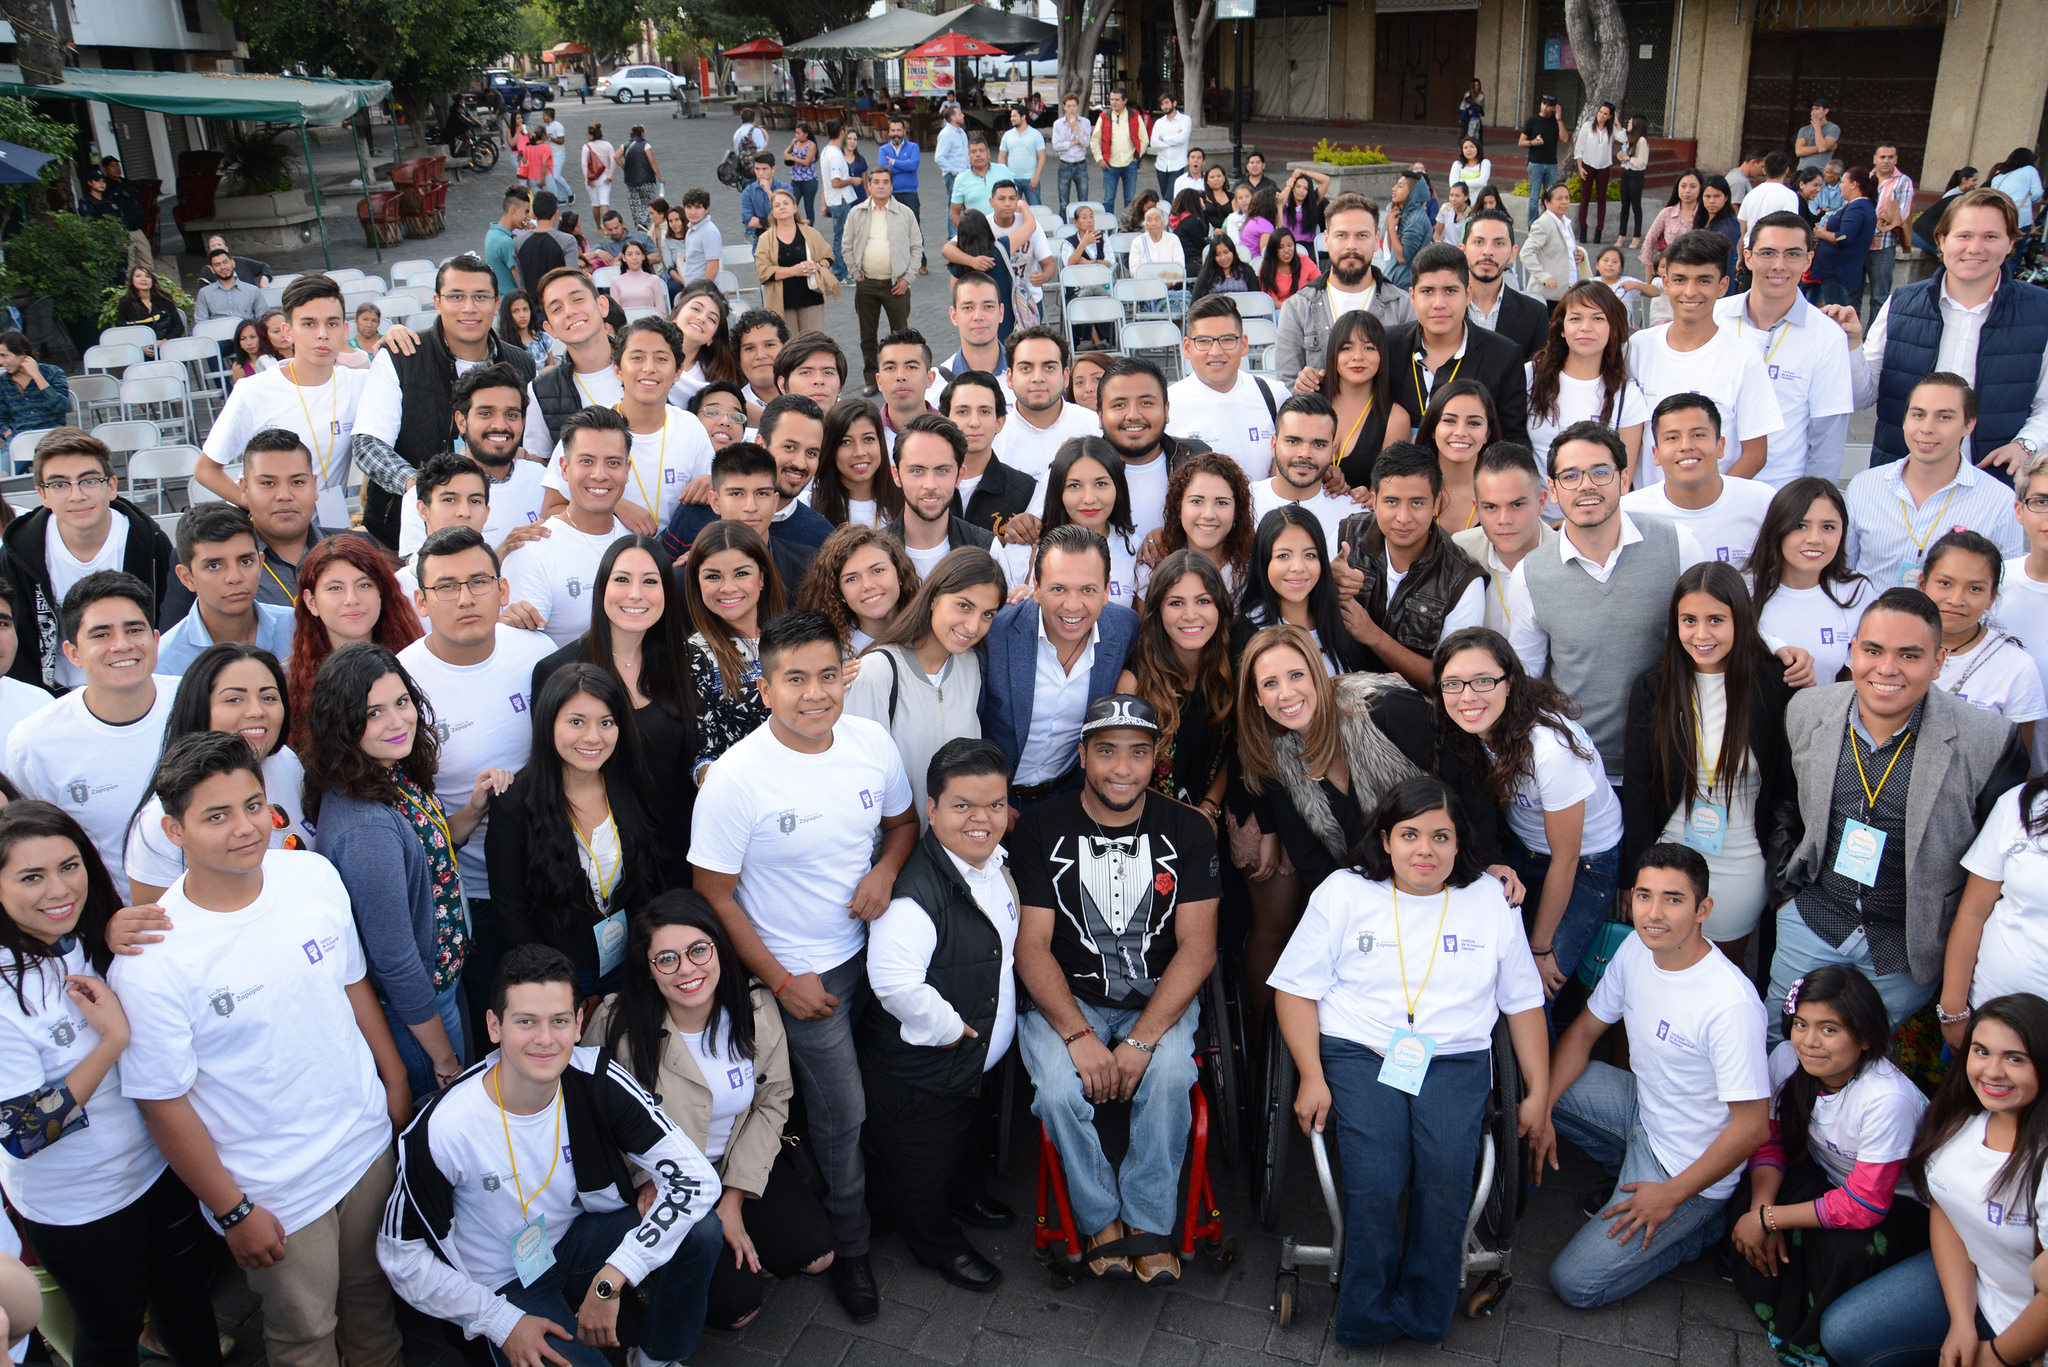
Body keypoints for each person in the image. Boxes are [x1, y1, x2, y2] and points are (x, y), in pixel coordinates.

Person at [110, 730, 410, 1367]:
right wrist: (232, 1208)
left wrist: (394, 1085)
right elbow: (163, 1104)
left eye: (252, 805)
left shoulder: (311, 874)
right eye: (215, 816)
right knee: (303, 1338)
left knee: (374, 1309)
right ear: (173, 831)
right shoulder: (152, 962)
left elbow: (354, 985)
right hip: (276, 1191)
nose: (244, 828)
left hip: (363, 1147)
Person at [690, 610, 917, 1323]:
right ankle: (850, 1247)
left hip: (874, 960)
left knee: (883, 1096)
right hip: (799, 978)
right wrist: (783, 982)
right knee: (840, 1112)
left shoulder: (870, 742)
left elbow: (902, 823)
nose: (815, 693)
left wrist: (885, 870)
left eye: (828, 675)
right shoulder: (736, 778)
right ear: (764, 687)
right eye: (795, 679)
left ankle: (888, 1209)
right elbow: (714, 896)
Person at [1270, 775, 1548, 1345]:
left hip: (1453, 1056)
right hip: (1358, 1048)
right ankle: (1366, 1312)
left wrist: (1538, 1094)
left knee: (1446, 1174)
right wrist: (1311, 1075)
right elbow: (1295, 990)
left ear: (1458, 843)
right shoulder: (1345, 892)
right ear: (1387, 839)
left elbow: (1522, 1003)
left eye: (1441, 837)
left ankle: (1424, 1311)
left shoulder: (1489, 902)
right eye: (1411, 835)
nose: (1426, 850)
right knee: (1377, 1175)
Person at [379, 941, 723, 1367]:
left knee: (701, 1229)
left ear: (579, 1023)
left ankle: (655, 1358)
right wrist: (498, 1320)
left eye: (559, 1020)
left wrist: (614, 1276)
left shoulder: (595, 1078)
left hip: (574, 1244)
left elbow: (697, 1179)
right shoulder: (444, 1126)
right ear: (493, 1026)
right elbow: (399, 1253)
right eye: (525, 1021)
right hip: (501, 1286)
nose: (545, 1039)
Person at [1012, 693, 1218, 1285]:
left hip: (1156, 999)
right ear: (1082, 756)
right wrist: (1077, 1034)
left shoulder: (1187, 829)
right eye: (1106, 752)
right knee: (1055, 1090)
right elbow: (1033, 946)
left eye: (1137, 753)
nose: (1121, 768)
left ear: (1156, 759)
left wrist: (1142, 1040)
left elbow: (1199, 948)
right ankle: (1100, 1215)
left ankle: (1149, 1218)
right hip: (1067, 999)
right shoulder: (1043, 828)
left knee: (1175, 1074)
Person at [1768, 587, 2027, 1034]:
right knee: (1781, 1040)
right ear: (1853, 651)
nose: (1887, 669)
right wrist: (1786, 899)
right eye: (1873, 650)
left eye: (1909, 655)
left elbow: (1997, 864)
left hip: (1908, 944)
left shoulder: (1988, 741)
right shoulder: (1807, 710)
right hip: (1813, 920)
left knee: (1875, 1063)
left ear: (1939, 661)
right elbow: (1785, 805)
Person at [1533, 842, 1772, 1308]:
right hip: (1641, 1108)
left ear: (1704, 909)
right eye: (1644, 896)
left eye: (1673, 899)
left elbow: (1752, 1128)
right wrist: (1540, 1112)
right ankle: (1622, 1170)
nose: (1653, 913)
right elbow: (1582, 1035)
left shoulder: (1731, 1003)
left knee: (1575, 1284)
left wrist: (1668, 1195)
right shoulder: (1635, 950)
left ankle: (1696, 1230)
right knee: (1537, 1089)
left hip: (1683, 1168)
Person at [589, 888, 831, 1331]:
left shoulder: (754, 1007)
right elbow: (596, 1120)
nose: (687, 969)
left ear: (718, 946)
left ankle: (743, 1237)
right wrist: (645, 1178)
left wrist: (734, 1196)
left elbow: (772, 1100)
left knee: (818, 1256)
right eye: (667, 959)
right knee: (737, 1311)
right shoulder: (617, 1025)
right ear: (647, 969)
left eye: (698, 949)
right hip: (671, 1181)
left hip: (735, 1157)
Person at [859, 737, 1022, 1291]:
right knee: (921, 1168)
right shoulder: (913, 896)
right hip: (924, 1071)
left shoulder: (992, 863)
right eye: (963, 806)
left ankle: (967, 1197)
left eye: (995, 805)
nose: (982, 819)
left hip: (969, 1065)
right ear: (931, 808)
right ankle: (937, 1245)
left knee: (964, 1140)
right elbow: (894, 983)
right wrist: (952, 1031)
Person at [1817, 994, 2048, 1367]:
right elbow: (1946, 1203)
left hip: (2033, 1329)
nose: (1992, 1071)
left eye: (2015, 1059)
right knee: (1843, 1334)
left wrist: (1997, 1356)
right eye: (1982, 1051)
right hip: (1980, 1287)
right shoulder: (1962, 1115)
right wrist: (1961, 1322)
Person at [302, 640, 488, 1101]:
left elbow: (429, 857)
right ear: (342, 723)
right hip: (420, 1008)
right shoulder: (365, 829)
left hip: (447, 977)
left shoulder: (386, 771)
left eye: (401, 702)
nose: (398, 720)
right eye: (374, 712)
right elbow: (396, 961)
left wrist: (473, 809)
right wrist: (443, 1059)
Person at [1730, 965, 1931, 1365]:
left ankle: (1808, 1333)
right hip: (1830, 1180)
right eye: (1801, 1024)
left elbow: (1866, 1204)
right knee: (1743, 1192)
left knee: (1845, 1248)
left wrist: (1771, 1220)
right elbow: (1769, 1141)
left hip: (1899, 1208)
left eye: (1829, 1029)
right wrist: (1761, 1208)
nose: (1809, 1041)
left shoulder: (1886, 1099)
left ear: (1866, 1037)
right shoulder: (1787, 1058)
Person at [1502, 423, 1708, 783]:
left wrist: (1779, 648)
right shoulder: (1530, 574)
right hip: (1578, 767)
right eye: (1570, 475)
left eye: (1600, 472)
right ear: (1552, 489)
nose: (1586, 485)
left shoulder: (1678, 545)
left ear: (1624, 479)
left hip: (1671, 760)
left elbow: (1718, 634)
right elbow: (1525, 680)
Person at [1432, 625, 1623, 997]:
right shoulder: (1471, 728)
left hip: (1584, 863)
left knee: (1535, 985)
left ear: (1511, 683)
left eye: (1483, 681)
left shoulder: (1550, 751)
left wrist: (1540, 946)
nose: (1467, 696)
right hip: (1524, 847)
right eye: (1452, 683)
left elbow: (1566, 860)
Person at [1622, 563, 1794, 964]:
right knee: (1658, 967)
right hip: (1669, 851)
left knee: (1721, 971)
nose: (1701, 634)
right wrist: (1634, 877)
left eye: (1716, 620)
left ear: (1741, 619)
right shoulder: (1654, 686)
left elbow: (1787, 787)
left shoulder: (1773, 683)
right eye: (1689, 620)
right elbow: (1638, 786)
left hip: (1742, 858)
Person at [486, 664, 679, 1000]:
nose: (593, 737)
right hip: (559, 977)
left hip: (631, 967)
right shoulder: (514, 804)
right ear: (548, 723)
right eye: (577, 722)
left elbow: (653, 877)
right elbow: (510, 911)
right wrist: (557, 985)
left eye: (606, 722)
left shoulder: (632, 784)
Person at [1835, 190, 2048, 483]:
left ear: (2010, 243)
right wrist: (1852, 347)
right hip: (1902, 480)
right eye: (1964, 235)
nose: (1975, 248)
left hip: (1994, 484)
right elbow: (1862, 396)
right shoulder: (1902, 303)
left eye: (1990, 237)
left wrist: (2026, 444)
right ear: (1942, 240)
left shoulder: (2040, 311)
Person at [350, 254, 542, 550]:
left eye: (480, 296)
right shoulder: (403, 356)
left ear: (496, 302)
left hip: (505, 531)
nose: (469, 308)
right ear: (437, 302)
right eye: (456, 297)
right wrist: (424, 488)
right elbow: (368, 445)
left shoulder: (521, 363)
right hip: (402, 538)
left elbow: (528, 441)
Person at [4, 572, 172, 899]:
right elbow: (30, 852)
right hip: (115, 932)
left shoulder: (204, 702)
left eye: (134, 630)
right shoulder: (34, 742)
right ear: (72, 652)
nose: (122, 645)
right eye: (101, 634)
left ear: (155, 638)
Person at [2, 427, 173, 691]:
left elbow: (169, 621)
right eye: (59, 484)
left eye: (89, 481)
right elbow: (18, 641)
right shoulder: (18, 553)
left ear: (112, 486)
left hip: (138, 686)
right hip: (53, 695)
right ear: (43, 495)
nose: (77, 495)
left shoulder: (149, 543)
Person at [199, 275, 374, 533]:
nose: (322, 334)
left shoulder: (361, 383)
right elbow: (206, 469)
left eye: (332, 323)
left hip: (329, 522)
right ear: (288, 332)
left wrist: (396, 333)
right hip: (270, 529)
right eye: (309, 324)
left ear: (345, 330)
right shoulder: (254, 390)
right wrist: (256, 505)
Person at [980, 525, 1140, 805]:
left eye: (1088, 590)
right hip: (994, 798)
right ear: (1037, 588)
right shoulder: (996, 633)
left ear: (1106, 590)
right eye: (1058, 588)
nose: (1073, 605)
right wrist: (991, 801)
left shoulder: (1124, 628)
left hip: (1070, 799)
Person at [1624, 231, 1782, 482]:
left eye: (1703, 281)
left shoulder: (1744, 358)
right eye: (1680, 279)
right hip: (1647, 513)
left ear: (1722, 286)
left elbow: (1755, 454)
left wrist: (1711, 504)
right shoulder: (1638, 347)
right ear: (1665, 282)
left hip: (1715, 514)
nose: (1690, 291)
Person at [1331, 441, 1488, 690]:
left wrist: (1374, 636)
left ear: (1436, 503)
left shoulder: (1463, 579)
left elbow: (1450, 679)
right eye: (1391, 502)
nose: (1403, 518)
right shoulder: (1344, 536)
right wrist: (1324, 583)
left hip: (1414, 712)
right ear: (1374, 499)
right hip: (1335, 694)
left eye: (1416, 503)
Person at [1715, 211, 1857, 486]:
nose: (1779, 265)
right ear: (1748, 257)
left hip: (1781, 500)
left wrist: (1811, 506)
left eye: (1792, 254)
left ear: (1808, 260)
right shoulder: (1714, 318)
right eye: (1767, 253)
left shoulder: (1827, 337)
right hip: (1706, 492)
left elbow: (1827, 440)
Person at [1842, 372, 2024, 586]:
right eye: (1918, 415)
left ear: (1969, 424)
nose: (1927, 428)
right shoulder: (1864, 487)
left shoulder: (2000, 501)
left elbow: (2003, 588)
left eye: (1944, 417)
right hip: (1872, 617)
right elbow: (1844, 575)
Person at [503, 407, 634, 649]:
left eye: (613, 463)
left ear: (627, 470)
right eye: (586, 461)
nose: (599, 474)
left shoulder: (635, 543)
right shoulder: (533, 551)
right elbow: (522, 652)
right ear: (564, 468)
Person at [285, 534, 422, 749]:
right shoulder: (287, 681)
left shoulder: (416, 661)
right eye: (335, 588)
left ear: (382, 593)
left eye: (365, 585)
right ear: (311, 602)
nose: (352, 599)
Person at [1386, 242, 1531, 445]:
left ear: (1468, 295)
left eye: (1450, 291)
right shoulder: (1387, 346)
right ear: (1412, 296)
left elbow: (1513, 438)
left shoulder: (1503, 356)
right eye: (1427, 291)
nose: (1439, 303)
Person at [1920, 530, 2048, 745]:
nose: (1956, 599)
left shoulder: (2016, 667)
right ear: (1922, 584)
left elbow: (2019, 766)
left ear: (1992, 597)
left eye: (1975, 588)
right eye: (1945, 583)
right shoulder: (1893, 645)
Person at [1619, 394, 1779, 565]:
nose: (1686, 446)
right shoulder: (1629, 513)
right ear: (1656, 454)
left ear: (1720, 446)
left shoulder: (1763, 502)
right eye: (1673, 438)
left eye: (1698, 435)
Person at [1750, 477, 1876, 688]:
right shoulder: (1744, 586)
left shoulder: (1857, 591)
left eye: (1828, 527)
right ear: (1777, 528)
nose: (1815, 539)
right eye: (1800, 525)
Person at [679, 518, 780, 780]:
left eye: (741, 573)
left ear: (762, 577)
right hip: (742, 799)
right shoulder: (695, 654)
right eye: (713, 576)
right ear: (696, 582)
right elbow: (702, 756)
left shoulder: (791, 638)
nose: (728, 587)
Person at [1525, 281, 1649, 484]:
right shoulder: (1531, 376)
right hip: (1534, 513)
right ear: (1562, 328)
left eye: (1598, 318)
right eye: (1575, 318)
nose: (1585, 328)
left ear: (1614, 329)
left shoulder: (1627, 395)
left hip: (1594, 512)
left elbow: (1622, 481)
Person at [155, 504, 296, 676]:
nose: (234, 577)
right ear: (187, 578)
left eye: (245, 562)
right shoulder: (165, 662)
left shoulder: (299, 628)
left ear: (260, 564)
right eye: (214, 566)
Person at [1168, 295, 1281, 480]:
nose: (1216, 351)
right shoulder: (1168, 405)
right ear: (1187, 348)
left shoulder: (1273, 395)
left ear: (1243, 344)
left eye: (1227, 339)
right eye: (1203, 341)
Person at [1454, 442, 1556, 636]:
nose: (1504, 520)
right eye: (1491, 507)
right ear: (1477, 509)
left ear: (1541, 503)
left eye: (1517, 505)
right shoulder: (1460, 551)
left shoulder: (1568, 560)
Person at [842, 166, 924, 393]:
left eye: (884, 182)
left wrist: (907, 278)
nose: (880, 186)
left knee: (901, 336)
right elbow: (846, 245)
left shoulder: (905, 213)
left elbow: (917, 247)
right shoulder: (857, 212)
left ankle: (903, 377)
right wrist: (855, 273)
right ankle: (872, 379)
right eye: (875, 182)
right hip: (866, 283)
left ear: (891, 185)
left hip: (896, 285)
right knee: (867, 336)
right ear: (868, 186)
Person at [888, 411, 997, 578]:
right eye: (917, 471)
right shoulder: (874, 552)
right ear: (896, 475)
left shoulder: (988, 548)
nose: (930, 485)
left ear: (959, 475)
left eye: (942, 470)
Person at [993, 326, 1101, 487]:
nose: (1038, 377)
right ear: (1009, 378)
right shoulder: (993, 441)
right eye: (1026, 368)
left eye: (1049, 367)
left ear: (1065, 377)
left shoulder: (1096, 428)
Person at [1810, 166, 1878, 310]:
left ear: (1854, 185)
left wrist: (1822, 234)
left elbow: (1843, 237)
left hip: (1838, 271)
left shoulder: (1858, 208)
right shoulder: (1856, 206)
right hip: (1834, 269)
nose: (1840, 185)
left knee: (1837, 314)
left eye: (1843, 182)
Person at [1863, 143, 1916, 323]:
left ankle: (1871, 339)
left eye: (1890, 157)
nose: (1886, 161)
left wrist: (1874, 226)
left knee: (1879, 296)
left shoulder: (1903, 182)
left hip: (1883, 244)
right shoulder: (1866, 178)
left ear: (1896, 159)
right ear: (1875, 159)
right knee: (1852, 292)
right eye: (1882, 157)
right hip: (1859, 244)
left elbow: (1902, 213)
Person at [1521, 182, 1586, 303]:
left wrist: (1579, 254)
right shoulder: (1543, 223)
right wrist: (1543, 276)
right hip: (1548, 293)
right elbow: (1526, 252)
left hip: (1569, 290)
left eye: (1567, 198)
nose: (1565, 202)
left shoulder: (1566, 222)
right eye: (1559, 198)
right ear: (1547, 202)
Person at [1091, 87, 1149, 220]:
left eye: (1117, 100)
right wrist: (1099, 159)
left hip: (1130, 163)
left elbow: (1144, 139)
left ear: (1124, 101)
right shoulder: (1104, 116)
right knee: (1108, 199)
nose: (1113, 102)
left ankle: (1128, 227)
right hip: (1109, 164)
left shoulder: (1134, 115)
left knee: (1130, 200)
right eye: (1111, 99)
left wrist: (1137, 157)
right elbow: (1095, 140)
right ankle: (1108, 230)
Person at [1573, 101, 1624, 242]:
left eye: (1605, 114)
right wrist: (1580, 166)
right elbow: (1579, 147)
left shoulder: (1611, 129)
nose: (1601, 115)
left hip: (1604, 166)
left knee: (1602, 199)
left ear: (1610, 116)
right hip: (1588, 165)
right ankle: (1583, 229)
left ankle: (1599, 231)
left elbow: (1624, 138)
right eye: (1600, 112)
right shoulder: (1587, 127)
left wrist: (1618, 123)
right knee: (1585, 197)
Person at [1641, 169, 1706, 273]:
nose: (1687, 190)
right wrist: (1649, 275)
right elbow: (1649, 241)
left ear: (1701, 188)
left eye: (1693, 186)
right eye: (1683, 186)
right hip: (1670, 271)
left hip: (1697, 271)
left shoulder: (1705, 214)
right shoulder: (1667, 213)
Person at [1518, 94, 1564, 227]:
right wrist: (1533, 142)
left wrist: (1559, 119)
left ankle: (1549, 224)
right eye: (1544, 103)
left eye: (1549, 105)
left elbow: (1565, 138)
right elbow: (1521, 142)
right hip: (1535, 163)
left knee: (1550, 196)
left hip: (1551, 164)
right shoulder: (1532, 121)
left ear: (1554, 108)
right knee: (1534, 197)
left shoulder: (1555, 122)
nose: (1545, 107)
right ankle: (1533, 226)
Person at [113, 266, 183, 349]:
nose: (144, 279)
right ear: (132, 280)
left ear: (152, 280)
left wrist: (164, 341)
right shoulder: (125, 302)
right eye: (138, 276)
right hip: (140, 348)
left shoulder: (165, 299)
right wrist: (140, 347)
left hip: (167, 345)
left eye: (148, 276)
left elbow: (178, 326)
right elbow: (122, 330)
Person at [191, 249, 263, 326]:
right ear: (212, 269)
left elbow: (263, 318)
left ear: (233, 263)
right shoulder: (205, 293)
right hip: (217, 336)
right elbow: (201, 323)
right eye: (217, 265)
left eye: (225, 262)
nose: (223, 267)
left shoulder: (252, 290)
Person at [878, 116, 923, 231]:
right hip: (892, 194)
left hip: (910, 194)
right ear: (889, 132)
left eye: (898, 130)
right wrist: (904, 165)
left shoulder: (914, 147)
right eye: (893, 130)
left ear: (904, 131)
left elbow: (913, 165)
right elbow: (884, 171)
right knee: (893, 229)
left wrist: (893, 162)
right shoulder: (883, 150)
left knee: (914, 229)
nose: (896, 133)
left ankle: (917, 250)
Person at [1257, 226, 1321, 304]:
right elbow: (1273, 302)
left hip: (1305, 305)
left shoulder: (1304, 261)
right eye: (1281, 247)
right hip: (1281, 310)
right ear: (1273, 250)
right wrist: (1292, 308)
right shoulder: (1266, 269)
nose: (1287, 250)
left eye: (1290, 245)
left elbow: (1319, 283)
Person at [1050, 94, 1090, 214]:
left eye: (1074, 106)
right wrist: (1072, 143)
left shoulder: (1085, 122)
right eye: (1069, 106)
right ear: (1064, 107)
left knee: (1083, 200)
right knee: (1063, 202)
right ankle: (1064, 227)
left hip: (1080, 164)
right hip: (1065, 163)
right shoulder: (1058, 124)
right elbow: (1056, 145)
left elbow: (1085, 143)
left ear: (1078, 106)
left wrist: (1075, 127)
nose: (1071, 109)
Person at [1190, 232, 1259, 300]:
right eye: (1218, 255)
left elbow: (1257, 297)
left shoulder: (1246, 271)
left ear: (1233, 252)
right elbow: (1195, 302)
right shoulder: (1207, 274)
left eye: (1226, 252)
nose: (1223, 258)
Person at [1617, 119, 1651, 248]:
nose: (1628, 124)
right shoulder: (1629, 139)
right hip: (1625, 172)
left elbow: (1642, 162)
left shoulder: (1642, 141)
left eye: (1630, 123)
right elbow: (1624, 153)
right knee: (1624, 205)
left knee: (1636, 206)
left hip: (1636, 175)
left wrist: (1629, 158)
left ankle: (1636, 237)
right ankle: (1622, 235)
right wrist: (1622, 156)